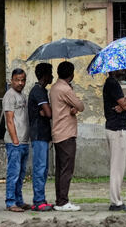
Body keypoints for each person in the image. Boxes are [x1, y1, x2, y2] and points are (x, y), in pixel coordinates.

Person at [49, 60, 85, 212]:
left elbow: (69, 107)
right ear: (71, 75)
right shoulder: (65, 89)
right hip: (66, 133)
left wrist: (72, 108)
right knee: (67, 169)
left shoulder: (54, 88)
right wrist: (74, 107)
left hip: (58, 132)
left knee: (61, 169)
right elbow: (80, 106)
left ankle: (60, 200)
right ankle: (63, 201)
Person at [103, 69, 126, 212]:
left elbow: (125, 105)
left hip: (117, 128)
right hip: (117, 130)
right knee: (117, 168)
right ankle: (116, 202)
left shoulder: (112, 83)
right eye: (120, 67)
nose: (123, 69)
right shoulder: (112, 83)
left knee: (118, 167)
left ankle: (116, 200)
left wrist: (125, 104)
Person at [27, 62, 55, 212]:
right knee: (40, 168)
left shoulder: (42, 90)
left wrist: (45, 112)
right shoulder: (38, 91)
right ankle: (38, 201)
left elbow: (46, 113)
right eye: (51, 74)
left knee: (43, 169)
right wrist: (46, 111)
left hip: (43, 135)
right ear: (45, 76)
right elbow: (49, 113)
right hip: (38, 135)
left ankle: (41, 198)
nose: (53, 77)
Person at [3, 68, 30, 212]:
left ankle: (19, 200)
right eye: (17, 80)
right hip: (15, 142)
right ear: (11, 80)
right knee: (13, 173)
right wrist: (15, 140)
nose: (20, 83)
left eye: (23, 80)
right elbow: (9, 120)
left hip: (24, 141)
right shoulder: (10, 96)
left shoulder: (23, 95)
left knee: (21, 174)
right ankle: (10, 201)